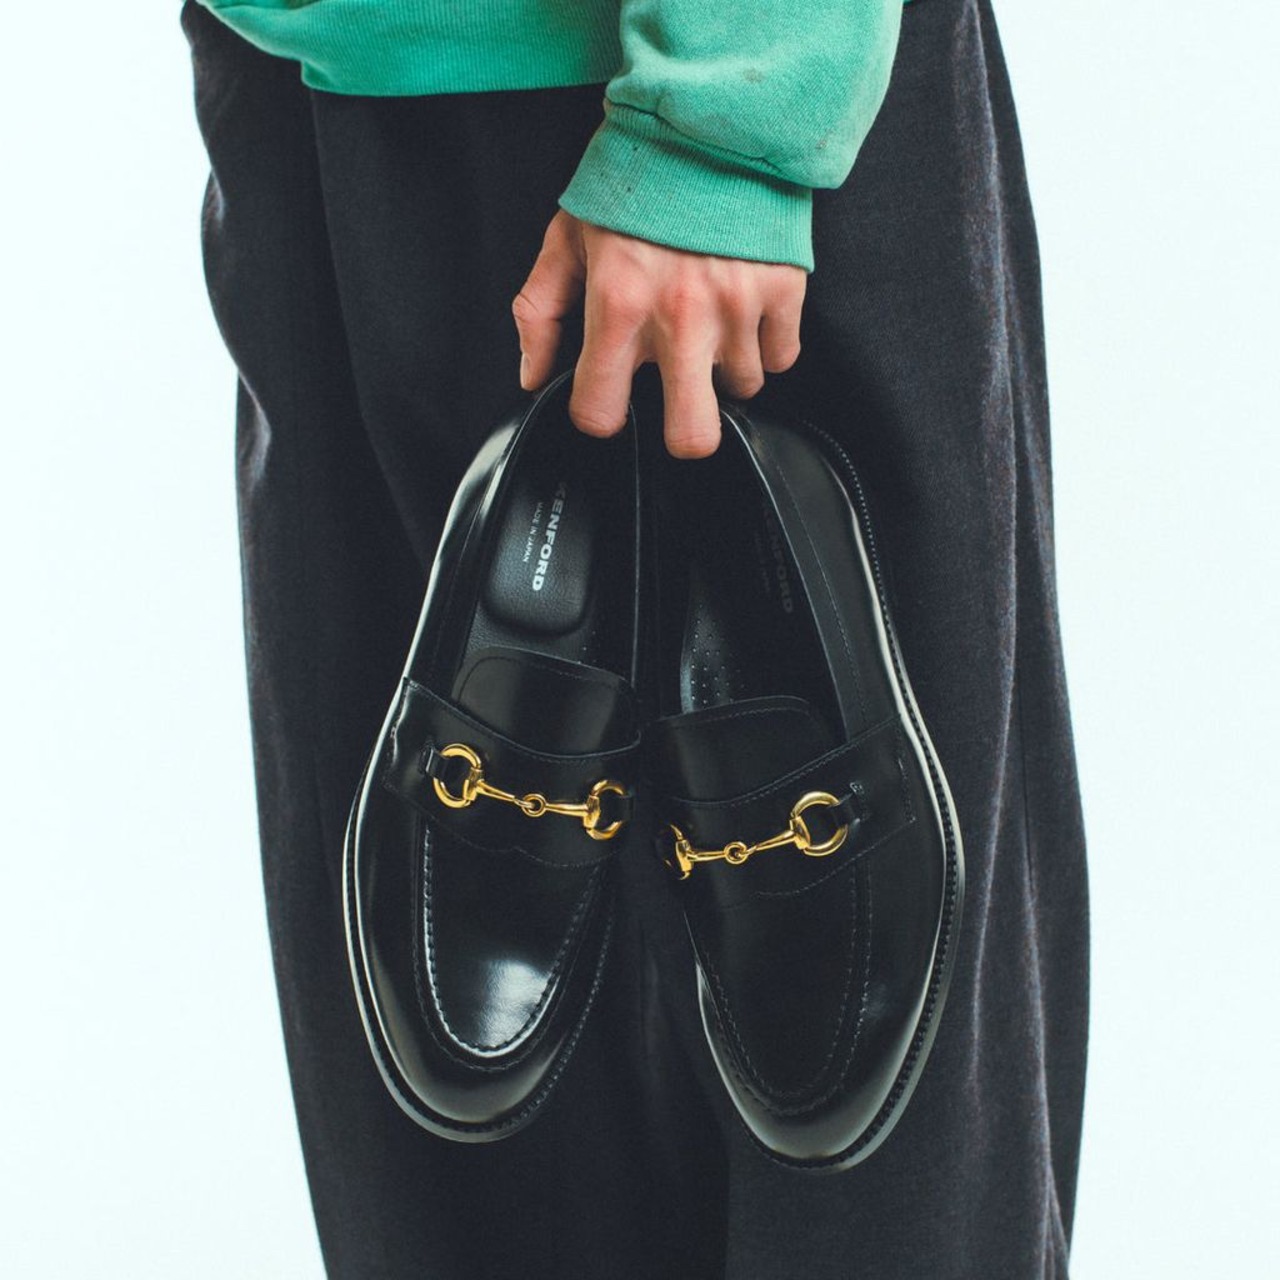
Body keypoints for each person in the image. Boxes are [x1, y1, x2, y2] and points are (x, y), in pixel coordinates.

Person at [182, 0, 1090, 1275]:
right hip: (321, 90)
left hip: (683, 136)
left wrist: (722, 123)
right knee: (450, 1138)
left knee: (853, 1126)